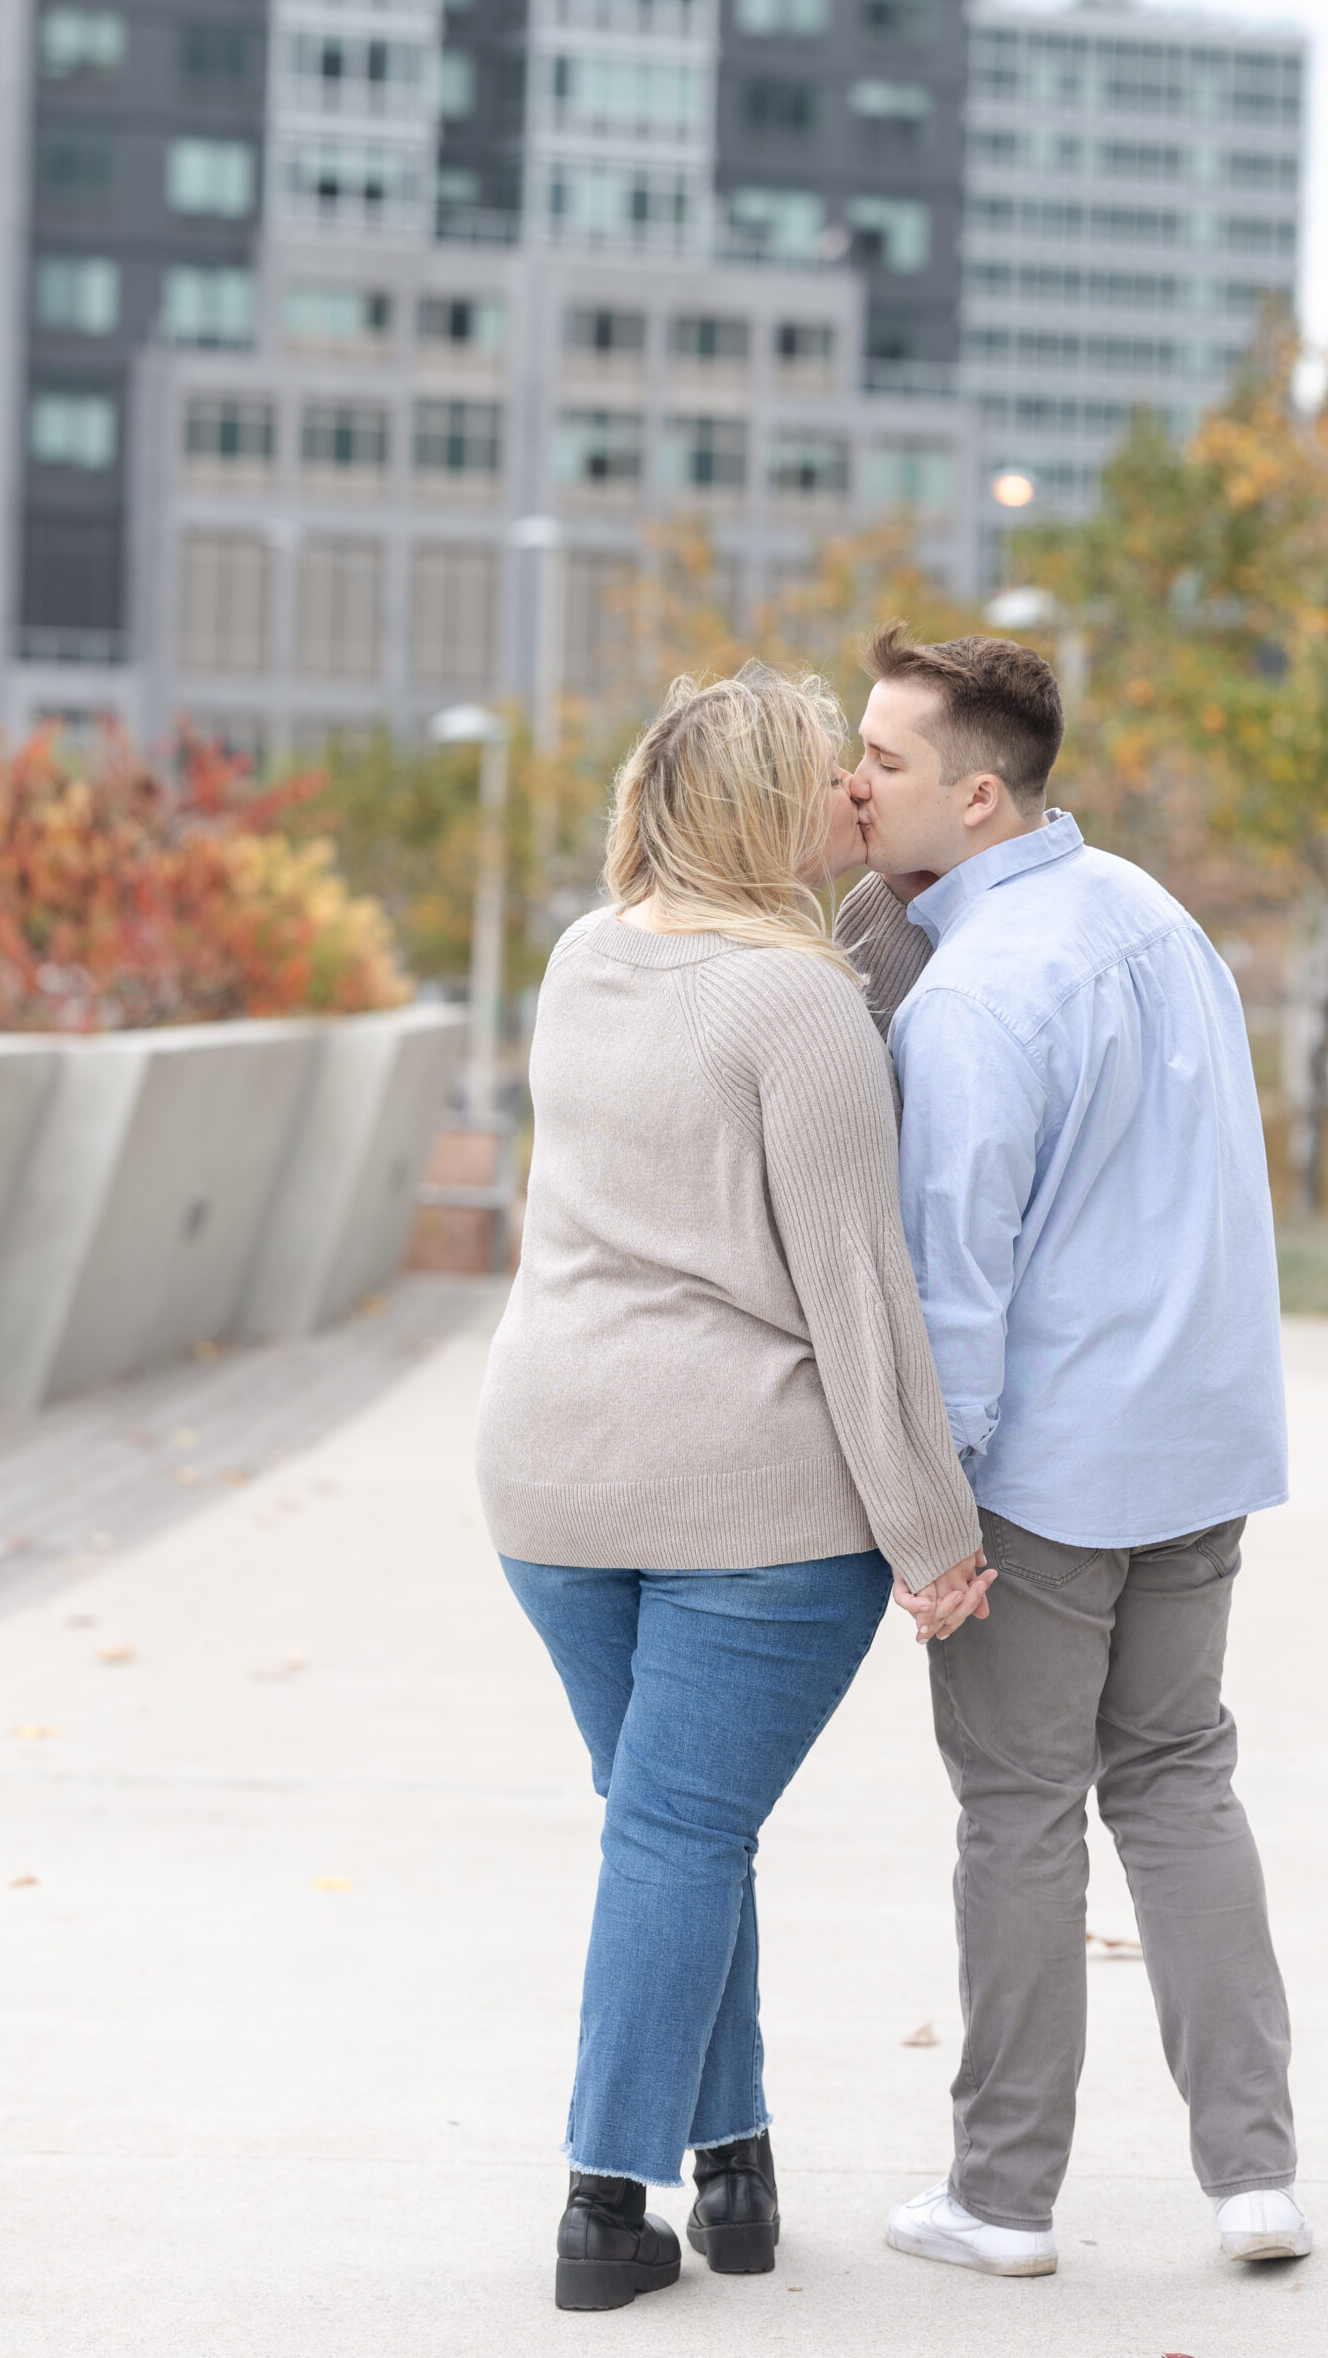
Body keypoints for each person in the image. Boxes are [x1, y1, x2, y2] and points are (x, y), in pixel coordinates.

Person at [475, 663, 992, 2313]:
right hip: (747, 1516)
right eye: (830, 773)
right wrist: (935, 1536)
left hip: (551, 1488)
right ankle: (602, 2206)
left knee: (673, 1835)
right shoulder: (796, 1005)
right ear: (776, 809)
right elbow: (859, 1292)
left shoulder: (582, 959)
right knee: (682, 1836)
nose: (859, 788)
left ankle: (737, 2165)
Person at [835, 622, 1309, 2279]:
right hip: (1200, 1444)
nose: (850, 781)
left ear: (974, 796)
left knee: (1022, 1813)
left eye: (880, 762)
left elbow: (954, 1281)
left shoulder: (976, 998)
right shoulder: (1158, 920)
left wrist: (932, 1515)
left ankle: (1002, 2197)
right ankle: (1256, 2176)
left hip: (1045, 1471)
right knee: (1182, 1783)